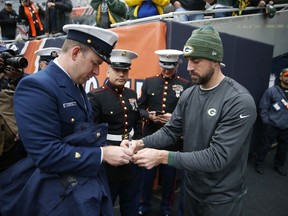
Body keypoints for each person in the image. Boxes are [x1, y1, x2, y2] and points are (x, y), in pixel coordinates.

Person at [122, 26, 257, 216]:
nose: (189, 67)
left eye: (196, 61)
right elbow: (170, 131)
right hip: (192, 189)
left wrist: (162, 156)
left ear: (215, 59)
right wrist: (141, 143)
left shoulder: (239, 101)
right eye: (187, 61)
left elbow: (217, 157)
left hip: (222, 197)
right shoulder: (189, 94)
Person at [7, 24, 134, 216]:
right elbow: (46, 154)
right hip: (54, 196)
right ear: (75, 53)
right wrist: (103, 154)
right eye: (95, 63)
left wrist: (113, 149)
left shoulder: (75, 84)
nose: (97, 72)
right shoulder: (37, 86)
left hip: (80, 187)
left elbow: (81, 137)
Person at [87, 49, 142, 216]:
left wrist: (138, 143)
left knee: (131, 204)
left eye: (125, 71)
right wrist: (106, 151)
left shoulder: (131, 94)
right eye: (117, 70)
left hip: (132, 158)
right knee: (107, 206)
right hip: (109, 162)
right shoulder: (96, 96)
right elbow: (91, 131)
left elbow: (137, 122)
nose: (121, 74)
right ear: (108, 70)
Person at [137, 49, 191, 216]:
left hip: (172, 141)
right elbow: (139, 107)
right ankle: (143, 206)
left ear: (177, 65)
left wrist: (173, 118)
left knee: (169, 179)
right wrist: (149, 116)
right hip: (152, 136)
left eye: (170, 67)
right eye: (164, 66)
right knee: (146, 176)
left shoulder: (185, 85)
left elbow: (189, 113)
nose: (166, 70)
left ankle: (166, 208)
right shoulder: (149, 82)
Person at [254, 68, 288, 176]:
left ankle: (279, 165)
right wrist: (266, 122)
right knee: (264, 146)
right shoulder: (272, 91)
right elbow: (263, 107)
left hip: (286, 126)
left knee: (283, 148)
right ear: (281, 77)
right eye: (286, 75)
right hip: (272, 125)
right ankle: (259, 163)